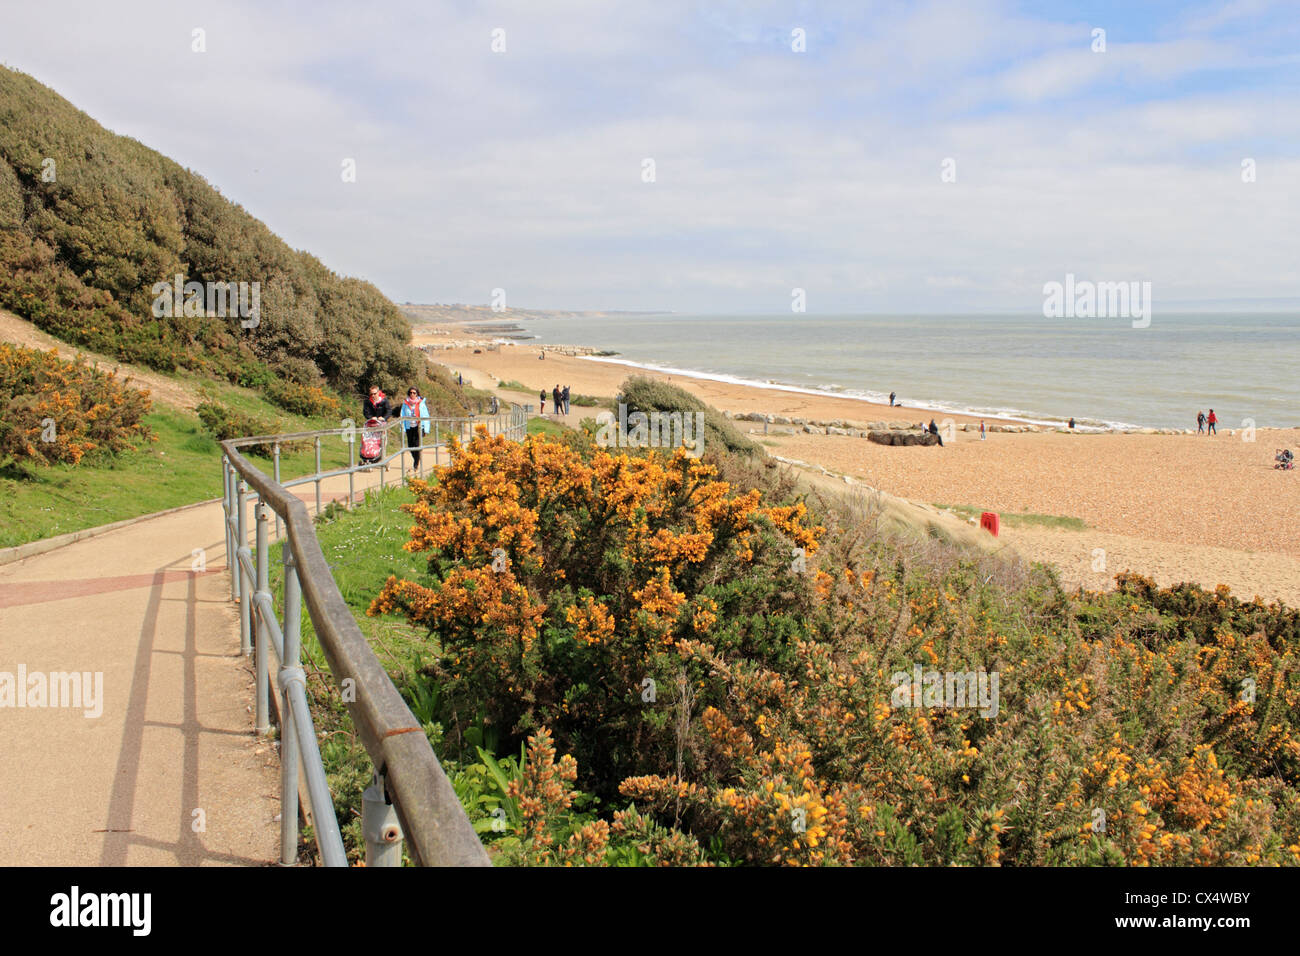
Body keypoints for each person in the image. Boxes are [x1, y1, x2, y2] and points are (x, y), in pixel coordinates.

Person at [399, 387, 430, 468]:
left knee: (416, 445)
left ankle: (416, 462)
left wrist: (426, 429)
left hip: (419, 426)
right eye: (410, 392)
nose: (412, 394)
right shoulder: (405, 403)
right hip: (409, 427)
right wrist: (402, 427)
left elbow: (426, 416)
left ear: (417, 394)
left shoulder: (421, 403)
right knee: (410, 446)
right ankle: (417, 458)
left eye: (414, 393)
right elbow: (402, 415)